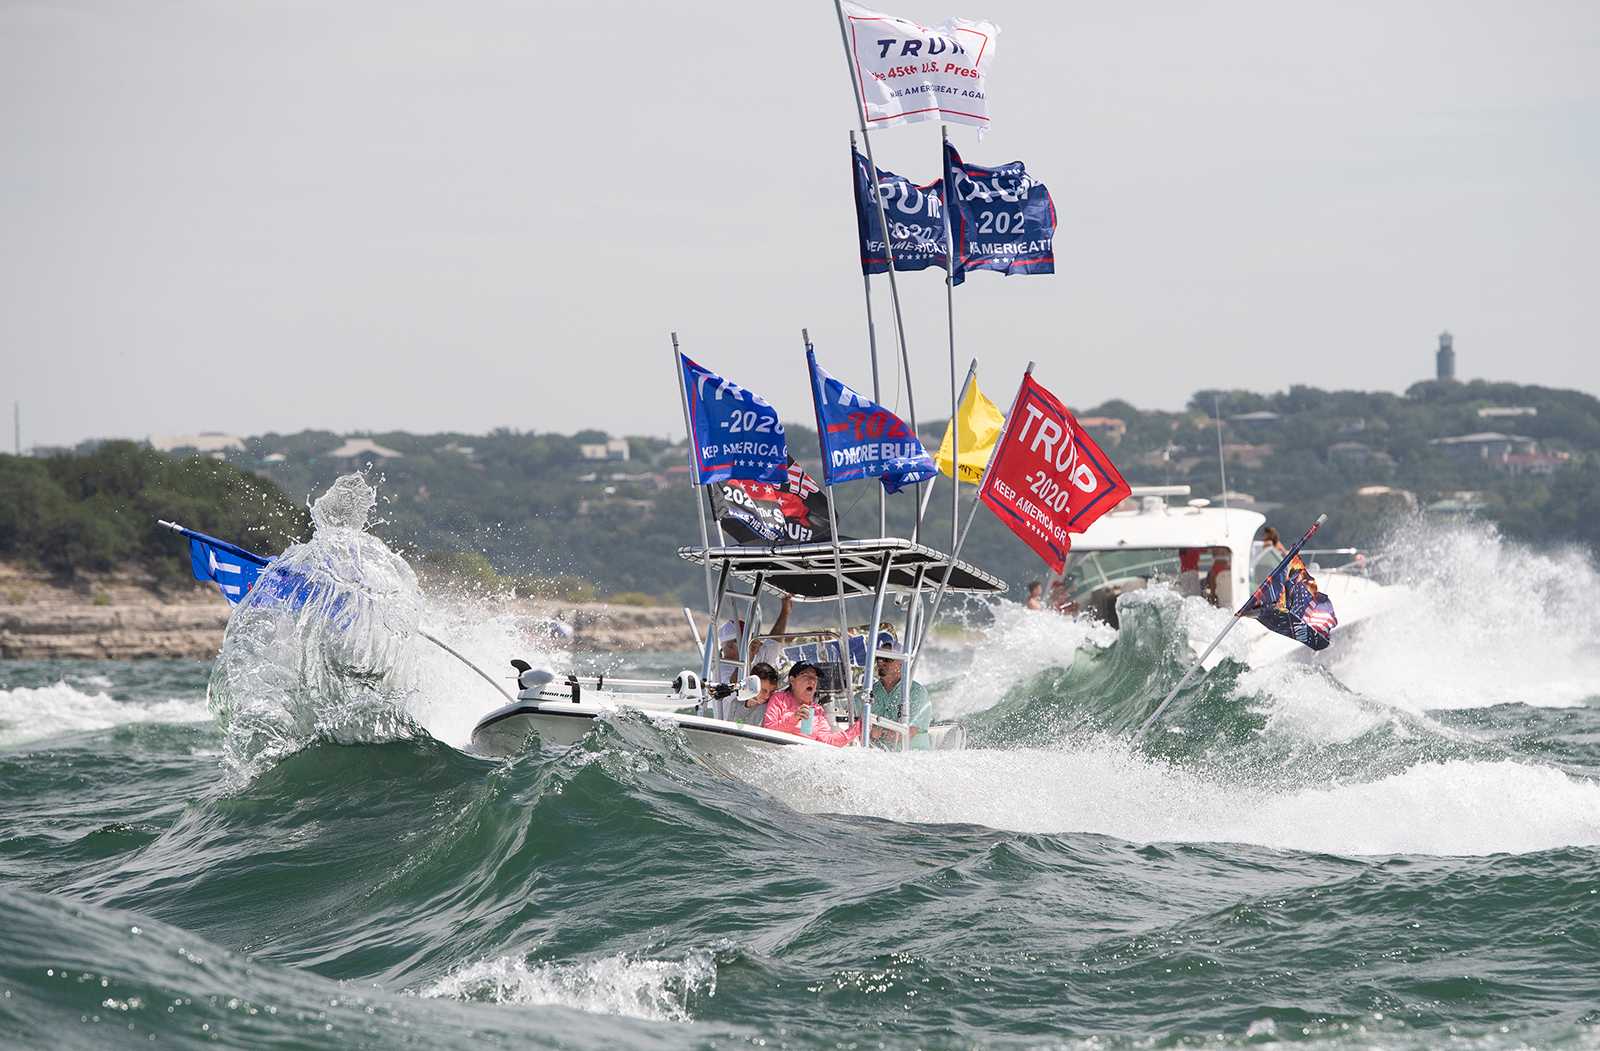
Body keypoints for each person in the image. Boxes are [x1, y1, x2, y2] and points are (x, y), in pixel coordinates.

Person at [762, 662, 860, 747]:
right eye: (806, 676)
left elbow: (827, 741)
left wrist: (857, 728)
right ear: (792, 680)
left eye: (814, 678)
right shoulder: (779, 699)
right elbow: (768, 729)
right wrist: (794, 718)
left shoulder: (817, 710)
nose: (812, 681)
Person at [859, 641, 933, 750]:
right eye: (879, 658)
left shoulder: (917, 692)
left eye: (888, 659)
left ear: (901, 663)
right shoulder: (871, 690)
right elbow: (853, 715)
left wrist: (878, 732)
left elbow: (906, 733)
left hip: (914, 758)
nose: (881, 662)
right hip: (882, 756)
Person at [716, 594, 794, 681]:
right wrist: (748, 657)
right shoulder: (722, 667)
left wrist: (785, 612)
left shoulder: (755, 655)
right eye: (746, 640)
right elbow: (734, 685)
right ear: (730, 646)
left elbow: (774, 643)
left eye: (750, 638)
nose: (750, 643)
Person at [731, 662, 780, 727]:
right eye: (764, 690)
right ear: (752, 685)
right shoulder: (735, 703)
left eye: (772, 691)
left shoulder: (771, 709)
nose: (767, 696)